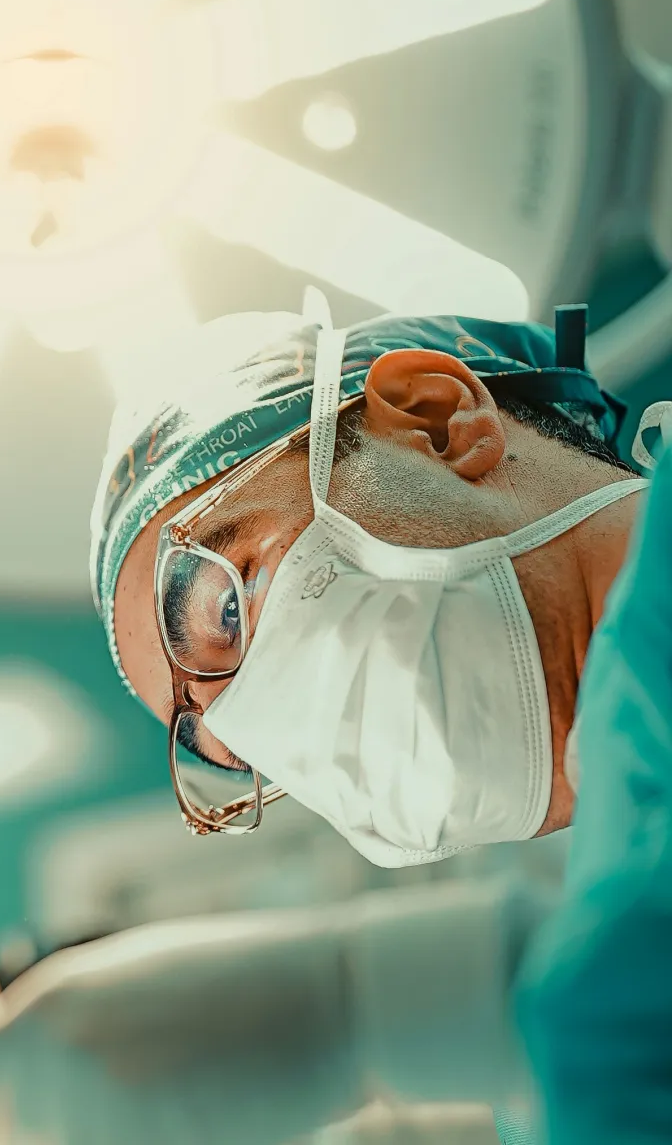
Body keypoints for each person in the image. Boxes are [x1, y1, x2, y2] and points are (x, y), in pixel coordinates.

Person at [88, 304, 669, 1142]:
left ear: (438, 421)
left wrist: (366, 1012)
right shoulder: (565, 1047)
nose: (274, 727)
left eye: (224, 606)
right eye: (233, 748)